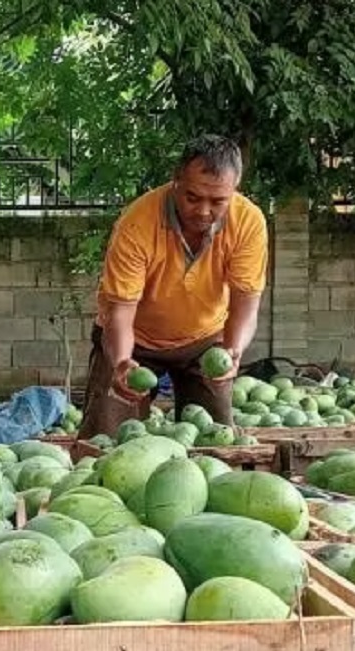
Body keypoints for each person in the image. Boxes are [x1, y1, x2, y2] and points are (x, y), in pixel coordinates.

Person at [77, 134, 268, 440]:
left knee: (215, 440)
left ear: (235, 190)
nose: (204, 211)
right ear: (176, 180)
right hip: (134, 339)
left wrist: (232, 351)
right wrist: (122, 362)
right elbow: (119, 314)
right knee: (106, 441)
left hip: (204, 341)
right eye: (193, 197)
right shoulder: (137, 224)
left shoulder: (248, 222)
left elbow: (246, 303)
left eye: (218, 201)